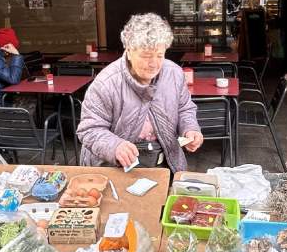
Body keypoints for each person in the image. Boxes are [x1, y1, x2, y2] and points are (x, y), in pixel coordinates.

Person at [76, 13, 203, 172]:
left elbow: (184, 108)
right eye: (146, 56)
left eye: (160, 55)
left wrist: (190, 128)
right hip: (114, 166)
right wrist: (115, 146)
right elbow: (89, 130)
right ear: (129, 51)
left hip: (165, 160)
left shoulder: (174, 73)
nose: (154, 64)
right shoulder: (106, 83)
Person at [0, 28, 24, 106]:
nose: (9, 53)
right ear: (5, 47)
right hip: (1, 103)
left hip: (4, 97)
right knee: (31, 103)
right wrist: (16, 55)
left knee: (31, 101)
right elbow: (13, 79)